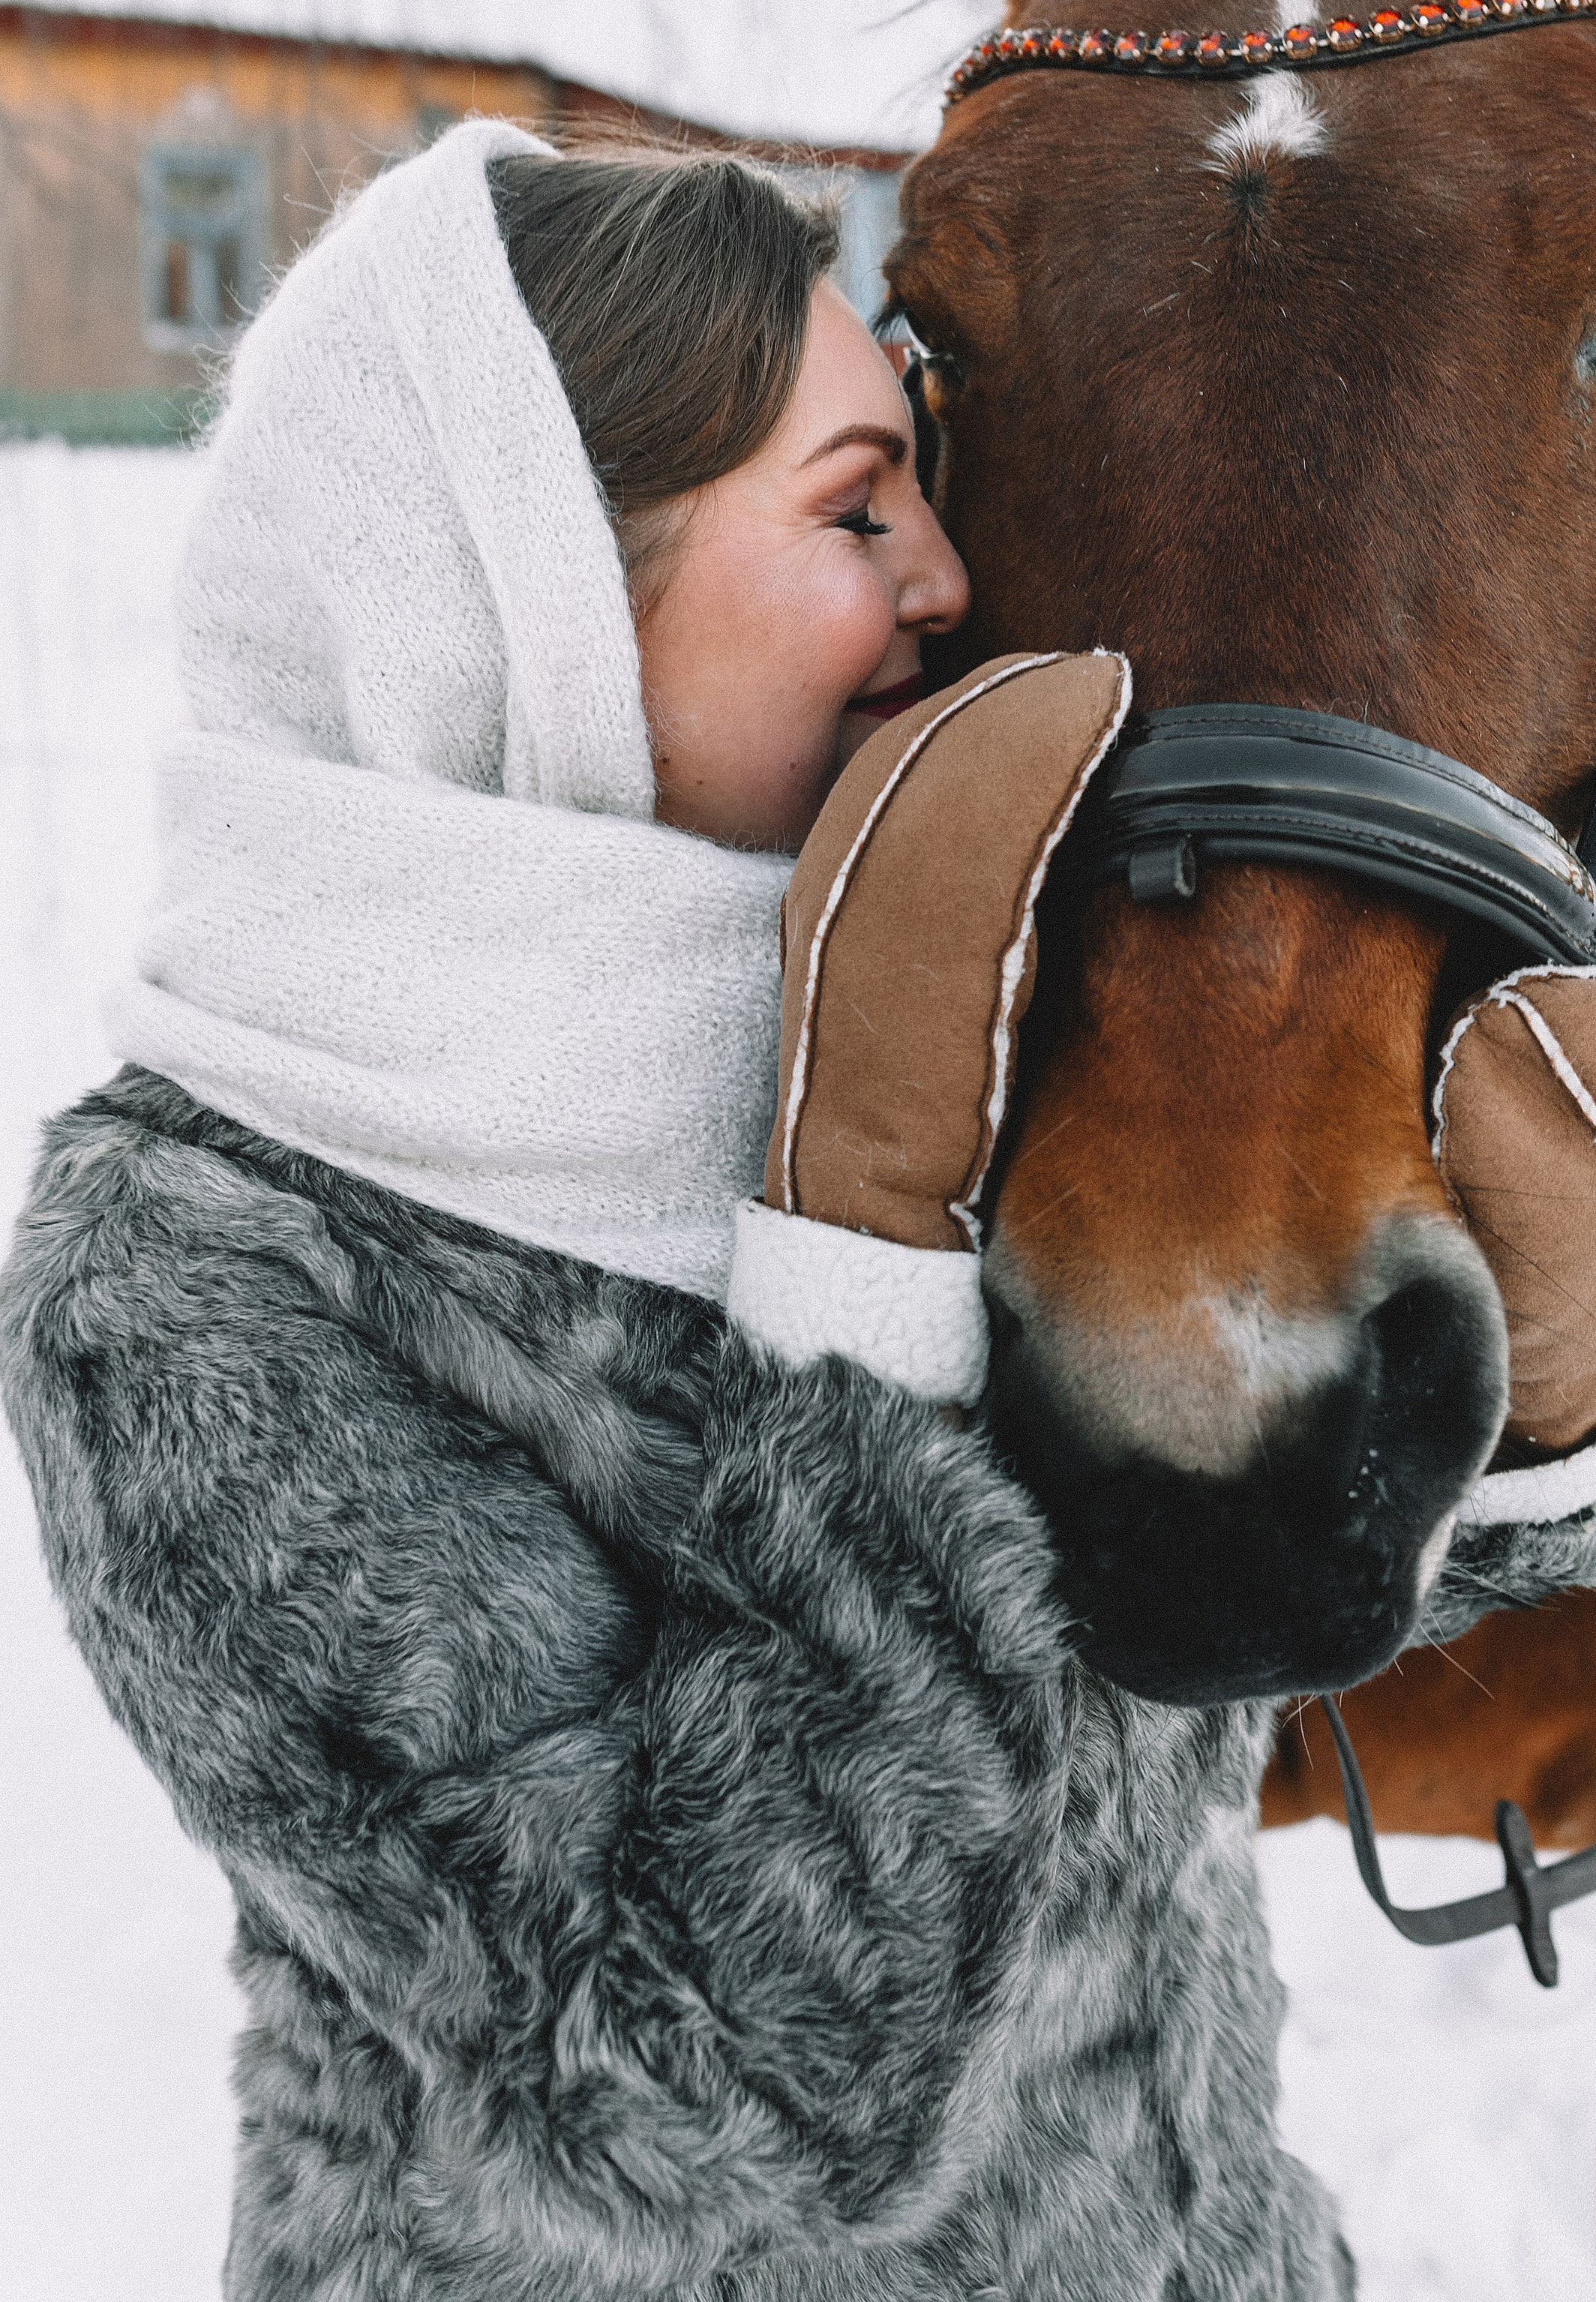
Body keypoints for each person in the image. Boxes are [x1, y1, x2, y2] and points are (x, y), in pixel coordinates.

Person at [0, 121, 1354, 2300]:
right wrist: (856, 1259)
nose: (947, 576)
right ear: (531, 592)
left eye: (923, 485)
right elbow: (716, 2097)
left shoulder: (929, 1002)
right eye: (853, 506)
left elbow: (1192, 1674)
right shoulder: (189, 1273)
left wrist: (1469, 1394)